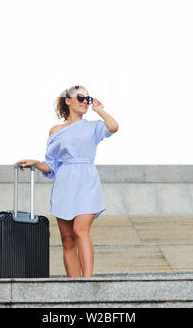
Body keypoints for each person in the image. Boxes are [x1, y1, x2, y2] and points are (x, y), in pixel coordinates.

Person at [14, 85, 119, 278]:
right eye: (80, 97)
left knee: (80, 229)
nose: (85, 102)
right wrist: (36, 163)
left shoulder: (93, 126)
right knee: (67, 239)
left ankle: (87, 283)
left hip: (87, 182)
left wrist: (99, 110)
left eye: (88, 99)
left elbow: (114, 127)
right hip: (64, 184)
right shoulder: (56, 131)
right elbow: (52, 166)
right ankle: (73, 286)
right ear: (68, 100)